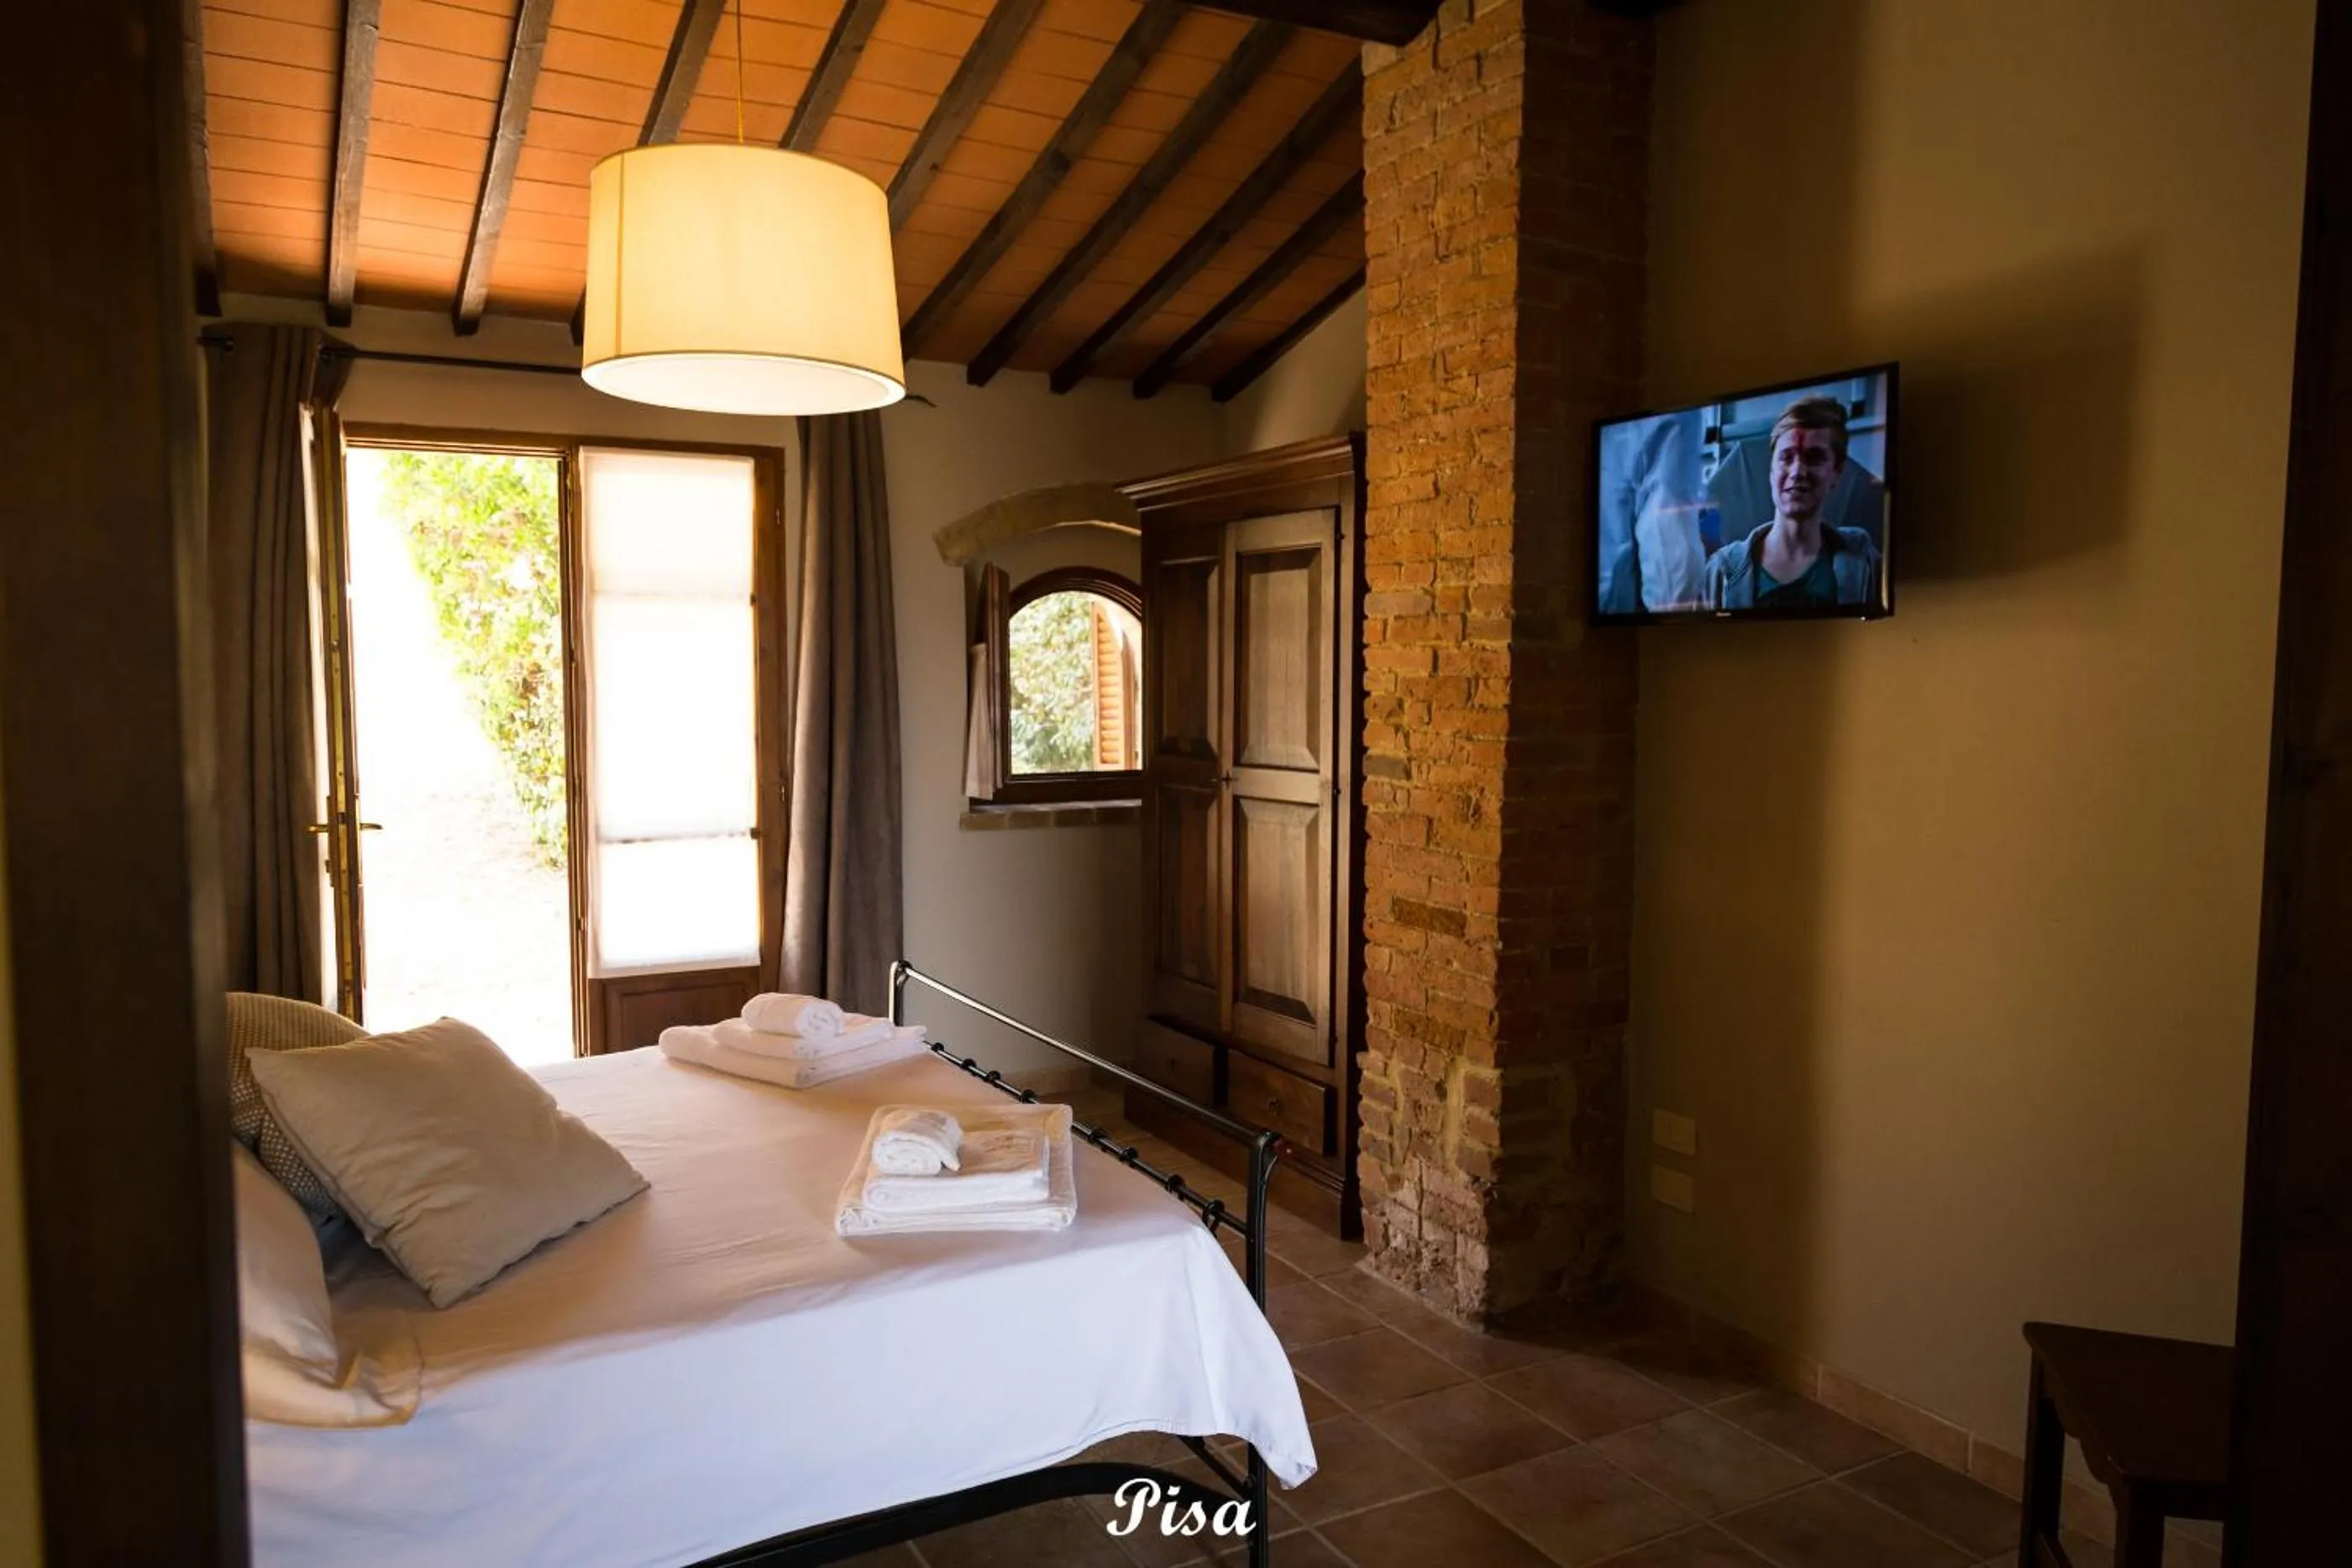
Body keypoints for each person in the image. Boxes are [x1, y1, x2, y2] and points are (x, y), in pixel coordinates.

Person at [1704, 395, 1880, 610]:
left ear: (1837, 472)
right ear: (1771, 471)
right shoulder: (1721, 570)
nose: (1797, 472)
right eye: (1787, 457)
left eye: (1814, 457)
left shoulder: (1865, 562)